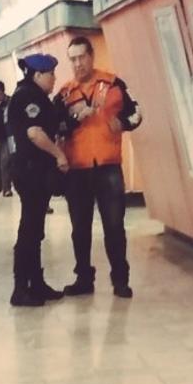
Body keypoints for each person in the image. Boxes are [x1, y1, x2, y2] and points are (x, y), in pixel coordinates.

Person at [57, 35, 142, 299]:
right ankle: (84, 278)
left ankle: (120, 280)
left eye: (81, 57)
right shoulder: (64, 94)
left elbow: (136, 112)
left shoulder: (114, 84)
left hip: (108, 167)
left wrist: (124, 124)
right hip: (77, 169)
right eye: (72, 59)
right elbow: (55, 127)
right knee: (80, 229)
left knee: (114, 226)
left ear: (91, 56)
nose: (78, 64)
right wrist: (74, 119)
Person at [6, 53, 69, 307]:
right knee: (29, 230)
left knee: (35, 230)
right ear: (38, 74)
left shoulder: (31, 94)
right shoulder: (28, 96)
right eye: (51, 74)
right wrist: (59, 155)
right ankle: (21, 289)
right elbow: (34, 133)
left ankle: (36, 283)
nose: (54, 78)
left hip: (32, 171)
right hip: (29, 171)